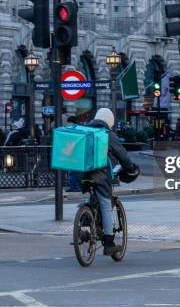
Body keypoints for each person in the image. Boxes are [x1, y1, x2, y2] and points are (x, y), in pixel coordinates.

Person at [85, 108, 139, 256]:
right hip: (100, 175)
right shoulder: (107, 134)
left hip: (80, 174)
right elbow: (122, 155)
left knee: (89, 190)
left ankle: (85, 217)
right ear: (110, 122)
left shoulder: (83, 131)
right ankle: (109, 242)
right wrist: (130, 167)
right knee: (105, 204)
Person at [65, 116, 81, 192]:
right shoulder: (78, 128)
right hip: (76, 152)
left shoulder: (72, 129)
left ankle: (75, 187)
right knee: (74, 171)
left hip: (73, 152)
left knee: (73, 171)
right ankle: (75, 186)